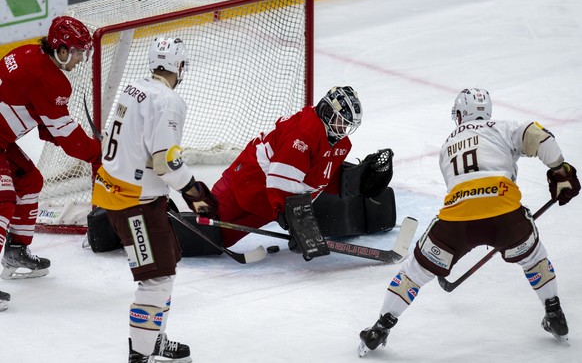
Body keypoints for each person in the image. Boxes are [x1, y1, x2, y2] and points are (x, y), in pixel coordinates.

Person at [358, 88, 581, 357]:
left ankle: (381, 326)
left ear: (461, 114)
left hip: (457, 221)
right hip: (505, 215)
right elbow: (539, 137)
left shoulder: (447, 145)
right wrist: (559, 170)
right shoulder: (502, 128)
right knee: (534, 258)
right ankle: (553, 310)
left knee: (414, 272)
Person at [92, 36, 217, 363]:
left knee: (165, 267)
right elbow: (166, 163)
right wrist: (197, 195)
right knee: (156, 278)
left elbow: (142, 150)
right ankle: (142, 354)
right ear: (180, 67)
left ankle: (153, 339)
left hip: (117, 193)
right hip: (135, 203)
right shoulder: (168, 101)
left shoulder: (133, 87)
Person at [0, 16, 101, 294]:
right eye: (78, 51)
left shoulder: (27, 53)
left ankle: (16, 251)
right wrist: (98, 154)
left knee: (30, 181)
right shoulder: (50, 79)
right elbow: (67, 136)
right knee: (3, 200)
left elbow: (41, 119)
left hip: (2, 141)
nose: (80, 59)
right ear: (62, 49)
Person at [211, 86, 362, 249]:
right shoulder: (303, 134)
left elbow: (315, 177)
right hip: (244, 183)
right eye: (341, 122)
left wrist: (358, 180)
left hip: (265, 201)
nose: (343, 130)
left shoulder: (336, 141)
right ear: (327, 111)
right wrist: (296, 224)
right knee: (206, 234)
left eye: (346, 125)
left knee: (218, 241)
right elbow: (281, 180)